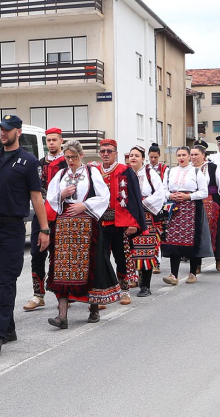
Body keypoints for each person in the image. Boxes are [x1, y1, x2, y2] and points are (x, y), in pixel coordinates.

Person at [0, 115, 49, 354]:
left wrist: (44, 229)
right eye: (1, 130)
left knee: (6, 280)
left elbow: (36, 197)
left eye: (7, 130)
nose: (3, 134)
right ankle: (9, 328)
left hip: (12, 228)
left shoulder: (28, 161)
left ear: (18, 131)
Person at [44, 140, 114, 326]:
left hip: (87, 225)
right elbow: (50, 198)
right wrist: (62, 195)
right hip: (64, 227)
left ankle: (93, 308)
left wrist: (85, 204)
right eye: (67, 157)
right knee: (62, 267)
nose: (70, 161)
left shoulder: (92, 172)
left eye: (73, 157)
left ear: (81, 156)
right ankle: (62, 315)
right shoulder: (61, 175)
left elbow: (104, 196)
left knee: (91, 264)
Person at [93, 139, 145, 305]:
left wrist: (132, 222)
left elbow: (134, 198)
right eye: (103, 151)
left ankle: (124, 290)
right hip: (100, 223)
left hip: (119, 224)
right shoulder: (94, 171)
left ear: (115, 153)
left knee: (121, 258)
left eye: (109, 151)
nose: (106, 154)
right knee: (101, 259)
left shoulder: (125, 170)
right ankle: (103, 293)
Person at [24, 128, 67, 313]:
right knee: (37, 252)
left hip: (61, 214)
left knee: (61, 254)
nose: (51, 143)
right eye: (48, 140)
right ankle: (38, 294)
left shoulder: (67, 162)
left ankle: (63, 293)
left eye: (54, 140)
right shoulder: (39, 163)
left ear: (61, 141)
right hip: (41, 213)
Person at [160, 147, 212, 284]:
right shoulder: (170, 171)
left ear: (189, 156)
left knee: (192, 239)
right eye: (179, 155)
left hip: (191, 208)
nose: (181, 158)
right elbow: (163, 189)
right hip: (174, 208)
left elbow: (203, 192)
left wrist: (188, 196)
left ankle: (193, 272)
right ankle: (173, 274)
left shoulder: (196, 172)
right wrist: (170, 195)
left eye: (184, 155)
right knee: (173, 239)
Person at [126, 145, 166, 296]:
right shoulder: (124, 173)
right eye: (131, 155)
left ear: (143, 158)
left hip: (145, 216)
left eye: (136, 155)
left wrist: (140, 204)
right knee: (128, 250)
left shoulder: (150, 173)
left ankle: (145, 286)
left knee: (146, 251)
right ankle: (131, 279)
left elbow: (159, 194)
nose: (133, 158)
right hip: (128, 216)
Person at [191, 141, 220, 272]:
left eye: (196, 154)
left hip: (213, 202)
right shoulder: (189, 169)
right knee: (197, 232)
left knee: (217, 231)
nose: (193, 157)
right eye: (191, 155)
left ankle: (219, 258)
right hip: (194, 202)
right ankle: (196, 263)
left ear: (203, 155)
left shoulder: (212, 168)